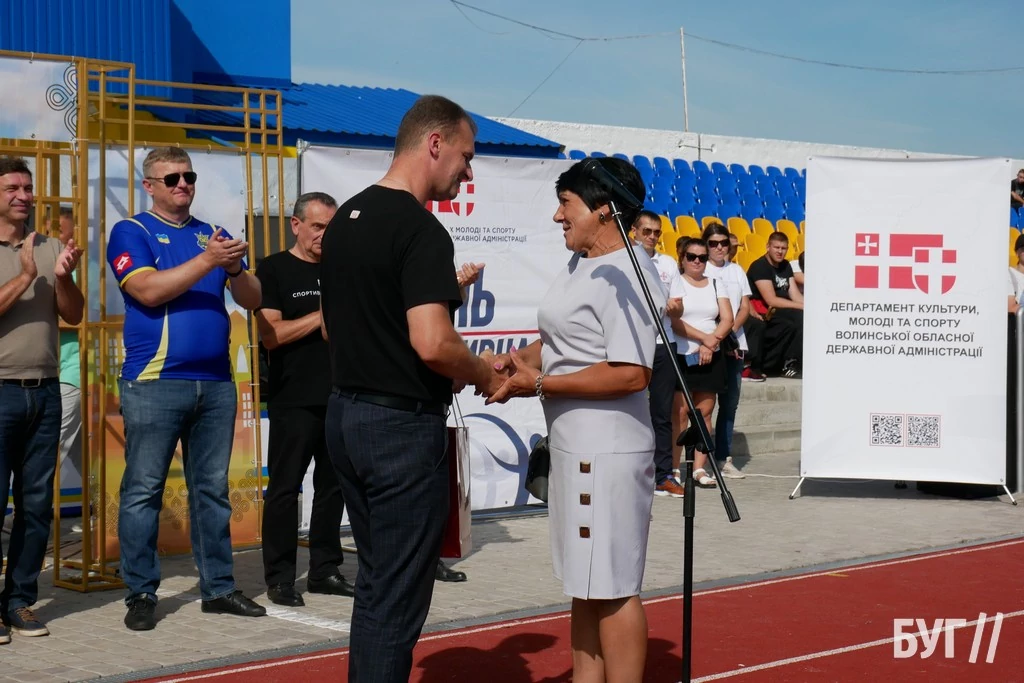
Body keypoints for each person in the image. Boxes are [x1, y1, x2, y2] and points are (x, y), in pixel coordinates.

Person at [319, 94, 504, 682]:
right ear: (435, 143)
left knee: (378, 586)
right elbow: (433, 343)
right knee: (395, 597)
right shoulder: (421, 230)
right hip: (397, 429)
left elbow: (331, 327)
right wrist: (485, 373)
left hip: (346, 416)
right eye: (466, 157)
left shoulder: (345, 219)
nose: (467, 172)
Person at [486, 157, 665, 681]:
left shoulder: (629, 273)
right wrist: (512, 364)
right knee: (585, 584)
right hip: (574, 446)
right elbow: (560, 342)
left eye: (567, 204)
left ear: (604, 209)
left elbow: (631, 373)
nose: (557, 216)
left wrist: (540, 384)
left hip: (608, 452)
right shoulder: (582, 263)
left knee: (613, 585)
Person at [107, 147, 266, 632]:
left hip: (216, 383)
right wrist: (209, 260)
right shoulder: (131, 230)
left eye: (189, 176)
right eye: (171, 178)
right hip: (155, 382)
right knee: (143, 491)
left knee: (212, 491)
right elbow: (148, 290)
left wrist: (233, 269)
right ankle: (141, 592)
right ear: (149, 186)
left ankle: (218, 588)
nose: (183, 184)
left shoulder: (211, 234)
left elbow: (254, 299)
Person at [255, 192, 356, 607]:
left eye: (331, 228)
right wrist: (321, 315)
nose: (324, 236)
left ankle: (324, 570)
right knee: (284, 489)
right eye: (317, 227)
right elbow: (272, 335)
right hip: (293, 398)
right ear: (296, 225)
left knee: (333, 487)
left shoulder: (344, 269)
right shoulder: (273, 269)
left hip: (342, 394)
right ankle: (280, 578)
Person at [0, 158, 83, 642]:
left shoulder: (51, 246)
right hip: (1, 390)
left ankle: (19, 602)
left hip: (46, 391)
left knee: (35, 507)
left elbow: (73, 315)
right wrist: (26, 275)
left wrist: (64, 277)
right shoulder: (32, 258)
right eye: (12, 187)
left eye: (28, 187)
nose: (23, 195)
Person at [671, 237, 734, 488]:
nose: (697, 261)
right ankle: (674, 468)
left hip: (711, 354)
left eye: (702, 257)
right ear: (682, 258)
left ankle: (699, 468)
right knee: (680, 413)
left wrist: (711, 343)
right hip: (682, 353)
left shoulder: (717, 284)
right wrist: (704, 339)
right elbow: (674, 322)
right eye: (691, 257)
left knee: (705, 413)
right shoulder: (675, 284)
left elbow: (727, 319)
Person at [630, 210, 684, 498]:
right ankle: (632, 472)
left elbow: (678, 307)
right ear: (634, 231)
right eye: (647, 231)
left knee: (662, 413)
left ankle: (663, 474)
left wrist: (674, 307)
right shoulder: (625, 259)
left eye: (656, 232)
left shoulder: (668, 263)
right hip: (632, 342)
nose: (652, 237)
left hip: (664, 343)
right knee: (630, 411)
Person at [702, 223, 749, 479]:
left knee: (729, 404)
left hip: (734, 344)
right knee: (704, 406)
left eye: (723, 243)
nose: (720, 247)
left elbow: (745, 307)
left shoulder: (737, 270)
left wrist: (730, 331)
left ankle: (723, 458)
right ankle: (701, 460)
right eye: (714, 243)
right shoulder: (701, 268)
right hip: (709, 343)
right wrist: (720, 335)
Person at [56, 207, 85, 529]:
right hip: (55, 371)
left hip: (74, 371)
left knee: (54, 446)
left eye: (58, 229)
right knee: (83, 453)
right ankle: (102, 516)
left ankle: (25, 518)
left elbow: (78, 317)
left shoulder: (79, 269)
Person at [746, 231, 803, 378]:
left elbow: (795, 294)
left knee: (806, 315)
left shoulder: (785, 265)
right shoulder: (760, 266)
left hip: (783, 308)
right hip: (765, 310)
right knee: (798, 319)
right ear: (768, 247)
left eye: (783, 248)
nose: (780, 251)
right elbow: (771, 300)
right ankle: (789, 364)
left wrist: (811, 306)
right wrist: (802, 307)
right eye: (776, 247)